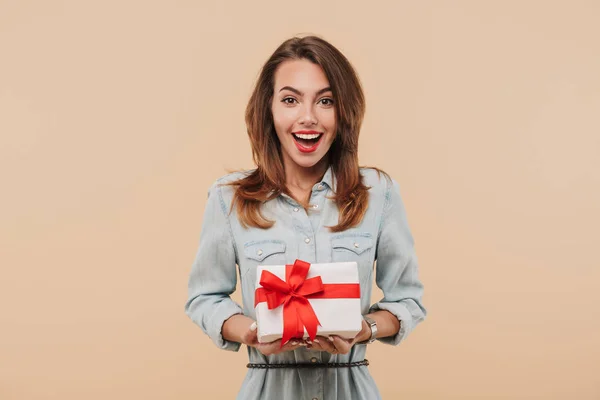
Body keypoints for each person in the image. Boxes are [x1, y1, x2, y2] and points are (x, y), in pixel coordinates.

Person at [185, 35, 426, 400]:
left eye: (325, 101)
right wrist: (251, 332)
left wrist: (364, 329)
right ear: (269, 110)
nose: (308, 117)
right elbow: (204, 297)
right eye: (290, 100)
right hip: (267, 388)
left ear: (343, 112)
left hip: (351, 387)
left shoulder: (379, 192)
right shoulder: (228, 198)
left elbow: (407, 301)